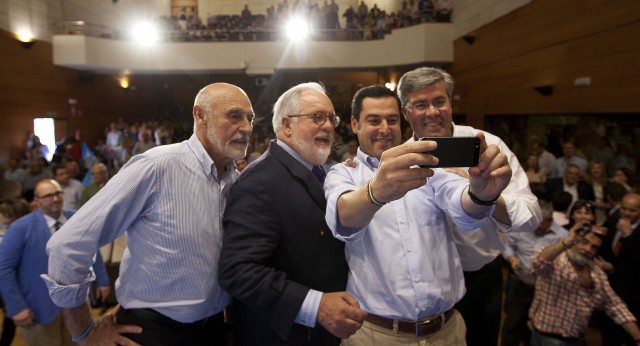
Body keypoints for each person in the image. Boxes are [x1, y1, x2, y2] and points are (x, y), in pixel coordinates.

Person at [42, 83, 254, 345]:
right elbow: (68, 245)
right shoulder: (156, 167)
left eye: (249, 118)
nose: (246, 127)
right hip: (152, 333)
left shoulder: (237, 180)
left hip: (213, 329)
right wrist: (84, 330)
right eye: (234, 116)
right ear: (200, 115)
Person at [323, 84, 513, 345]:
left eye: (391, 120)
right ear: (355, 124)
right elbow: (343, 217)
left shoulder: (427, 164)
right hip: (377, 334)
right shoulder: (344, 173)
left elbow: (463, 206)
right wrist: (375, 192)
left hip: (447, 331)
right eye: (373, 120)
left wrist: (482, 193)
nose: (384, 128)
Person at [395, 67, 541, 346]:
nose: (432, 112)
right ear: (406, 113)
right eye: (420, 105)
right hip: (424, 282)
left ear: (450, 103)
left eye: (439, 101)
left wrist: (485, 195)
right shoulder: (399, 160)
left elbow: (531, 216)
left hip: (479, 278)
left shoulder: (486, 145)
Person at [219, 82, 367, 345]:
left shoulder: (319, 171)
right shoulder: (259, 183)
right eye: (317, 117)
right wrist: (316, 305)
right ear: (286, 125)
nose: (329, 126)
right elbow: (238, 270)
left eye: (331, 118)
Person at [0, 180, 110, 346]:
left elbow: (92, 249)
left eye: (58, 193)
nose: (55, 199)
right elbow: (4, 268)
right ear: (37, 200)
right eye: (48, 196)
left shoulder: (76, 218)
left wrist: (102, 280)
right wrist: (16, 306)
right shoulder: (20, 227)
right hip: (38, 306)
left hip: (76, 304)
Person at [529, 222, 640, 345]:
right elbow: (538, 261)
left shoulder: (597, 275)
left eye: (594, 247)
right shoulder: (556, 262)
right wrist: (565, 242)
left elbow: (616, 306)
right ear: (574, 240)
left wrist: (638, 337)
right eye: (584, 242)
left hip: (577, 340)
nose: (588, 249)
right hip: (548, 339)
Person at [500, 201, 568, 346]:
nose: (537, 227)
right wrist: (511, 258)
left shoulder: (563, 236)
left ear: (550, 221)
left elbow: (567, 262)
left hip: (548, 290)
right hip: (522, 285)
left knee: (542, 328)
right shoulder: (520, 228)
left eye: (542, 223)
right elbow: (507, 246)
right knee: (512, 324)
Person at [598, 193, 640, 345]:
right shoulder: (613, 220)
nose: (626, 213)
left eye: (632, 210)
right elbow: (599, 240)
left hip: (633, 294)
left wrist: (628, 234)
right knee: (609, 335)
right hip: (609, 290)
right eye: (624, 208)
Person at [0, 198, 31, 346]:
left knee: (10, 319)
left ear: (14, 215)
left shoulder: (19, 234)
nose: (0, 216)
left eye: (4, 214)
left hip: (13, 283)